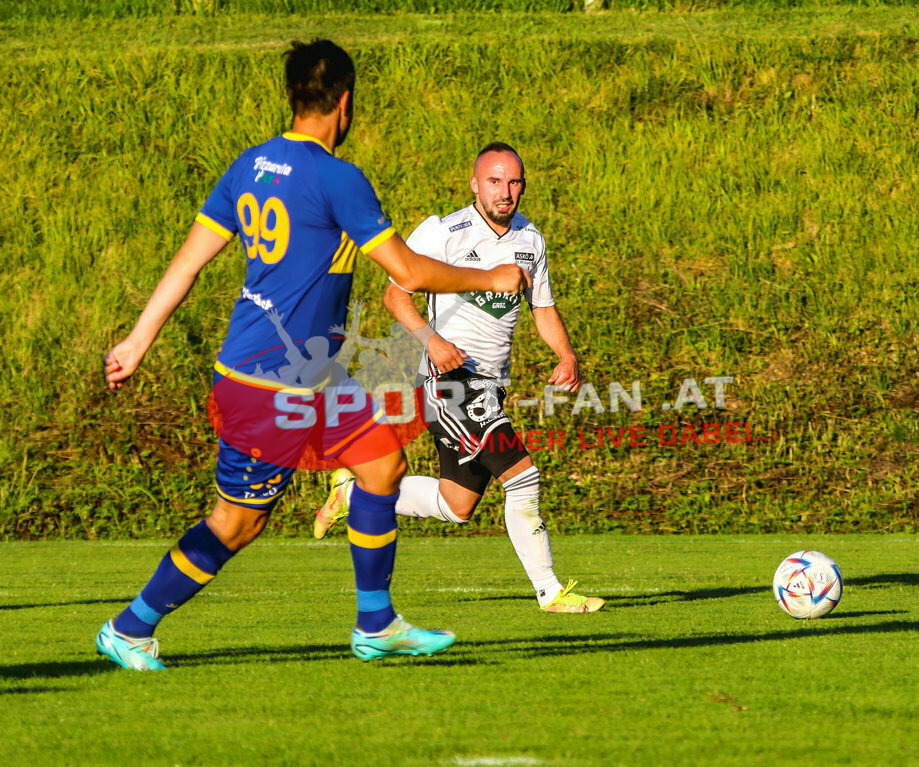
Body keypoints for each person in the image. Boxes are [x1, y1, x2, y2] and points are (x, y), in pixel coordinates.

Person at [96, 41, 531, 670]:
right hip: (266, 386)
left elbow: (188, 263)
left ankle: (375, 624)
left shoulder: (251, 165)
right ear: (346, 102)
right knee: (236, 525)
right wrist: (489, 279)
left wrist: (138, 339)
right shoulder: (336, 177)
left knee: (382, 464)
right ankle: (129, 628)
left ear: (294, 94)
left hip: (301, 380)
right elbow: (404, 268)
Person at [313, 143, 604, 614]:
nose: (505, 192)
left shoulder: (531, 240)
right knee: (523, 476)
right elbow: (395, 297)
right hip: (449, 382)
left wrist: (566, 355)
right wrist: (432, 341)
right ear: (475, 184)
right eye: (494, 181)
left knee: (457, 504)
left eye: (514, 182)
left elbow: (542, 308)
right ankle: (551, 593)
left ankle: (355, 491)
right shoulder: (444, 232)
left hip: (489, 385)